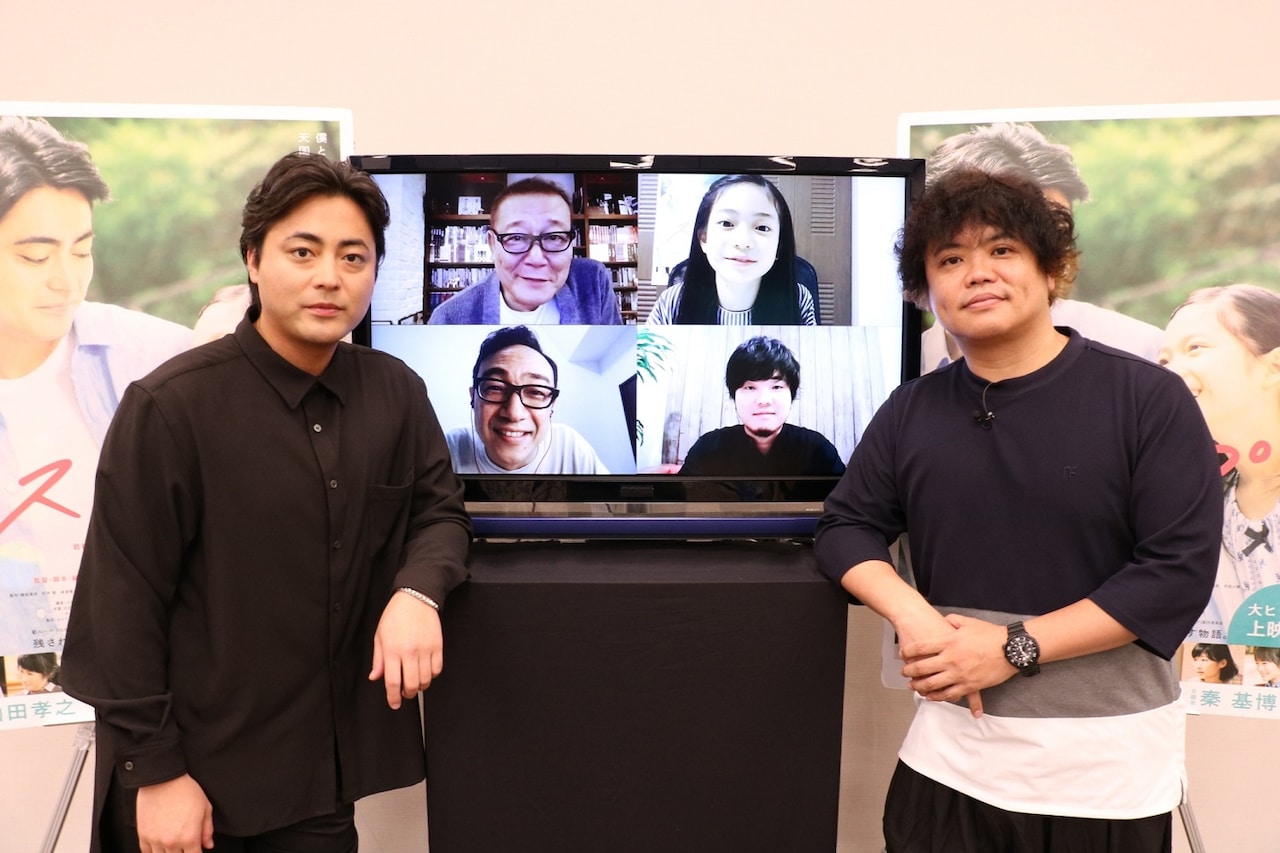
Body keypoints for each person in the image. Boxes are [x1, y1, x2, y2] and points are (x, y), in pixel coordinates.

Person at [60, 153, 472, 852]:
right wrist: (157, 774)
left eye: (353, 257)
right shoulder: (171, 406)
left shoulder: (395, 392)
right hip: (191, 787)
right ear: (253, 259)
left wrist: (417, 592)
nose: (329, 277)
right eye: (302, 252)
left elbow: (439, 513)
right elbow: (118, 607)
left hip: (318, 785)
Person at [814, 169, 1221, 851]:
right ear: (926, 292)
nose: (977, 272)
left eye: (1001, 250)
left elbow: (1174, 574)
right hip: (947, 764)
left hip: (1103, 778)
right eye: (950, 260)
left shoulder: (1148, 398)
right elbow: (844, 526)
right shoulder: (912, 408)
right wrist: (913, 614)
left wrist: (1012, 647)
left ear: (1051, 267)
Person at [0, 116, 191, 654]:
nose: (66, 280)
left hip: (146, 680)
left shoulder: (160, 360)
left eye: (82, 251)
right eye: (35, 256)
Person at [919, 122, 1163, 370]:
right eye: (954, 257)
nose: (1048, 248)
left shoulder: (1138, 352)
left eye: (1057, 232)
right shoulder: (904, 370)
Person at [1160, 284, 1280, 633]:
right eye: (1163, 361)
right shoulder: (1197, 505)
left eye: (1195, 348)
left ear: (1273, 367)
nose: (1169, 373)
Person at [428, 177, 621, 325]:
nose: (536, 259)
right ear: (492, 245)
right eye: (517, 238)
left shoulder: (593, 282)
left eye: (554, 237)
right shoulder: (448, 319)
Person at [647, 174, 816, 325]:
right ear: (704, 238)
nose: (743, 242)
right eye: (727, 223)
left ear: (779, 245)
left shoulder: (798, 299)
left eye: (762, 228)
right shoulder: (672, 301)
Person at [446, 325, 608, 474]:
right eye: (495, 388)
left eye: (536, 392)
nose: (514, 413)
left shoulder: (570, 448)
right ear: (473, 397)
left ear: (551, 406)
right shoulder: (450, 447)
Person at [677, 336, 844, 478]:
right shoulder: (707, 449)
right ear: (734, 395)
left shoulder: (818, 450)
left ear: (791, 394)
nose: (764, 400)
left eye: (776, 387)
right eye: (750, 387)